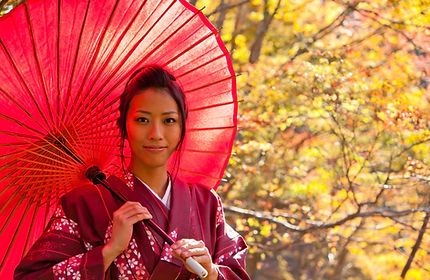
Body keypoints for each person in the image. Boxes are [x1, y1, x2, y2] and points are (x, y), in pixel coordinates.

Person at [14, 65, 250, 280]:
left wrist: (210, 273)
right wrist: (108, 251)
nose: (156, 133)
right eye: (142, 120)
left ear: (182, 127)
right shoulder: (84, 204)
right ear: (124, 126)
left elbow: (235, 272)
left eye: (169, 120)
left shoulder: (206, 203)